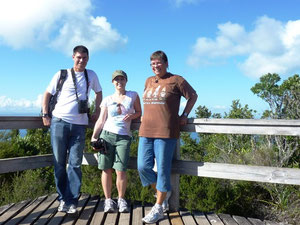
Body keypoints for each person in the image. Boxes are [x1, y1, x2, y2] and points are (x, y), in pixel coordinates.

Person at [138, 50, 198, 223]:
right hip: (145, 130)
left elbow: (193, 96)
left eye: (158, 63)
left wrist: (185, 114)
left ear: (166, 63)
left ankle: (158, 207)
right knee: (143, 166)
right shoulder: (149, 80)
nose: (155, 66)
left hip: (166, 131)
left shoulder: (176, 80)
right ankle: (162, 191)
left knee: (163, 169)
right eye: (152, 64)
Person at [41, 45, 102, 214]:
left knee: (75, 164)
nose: (81, 60)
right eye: (78, 57)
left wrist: (97, 110)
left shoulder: (92, 75)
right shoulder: (62, 74)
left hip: (79, 125)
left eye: (84, 57)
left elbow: (99, 92)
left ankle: (72, 200)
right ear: (73, 57)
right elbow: (47, 94)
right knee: (59, 163)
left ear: (88, 58)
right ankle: (62, 199)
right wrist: (46, 114)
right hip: (59, 122)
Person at [91, 70, 141, 213]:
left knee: (121, 170)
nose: (119, 82)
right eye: (116, 80)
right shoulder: (107, 99)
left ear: (126, 80)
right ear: (113, 82)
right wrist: (94, 137)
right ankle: (108, 200)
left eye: (122, 79)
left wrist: (132, 116)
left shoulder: (133, 95)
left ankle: (121, 199)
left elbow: (139, 112)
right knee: (106, 169)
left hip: (124, 137)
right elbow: (101, 120)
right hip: (107, 136)